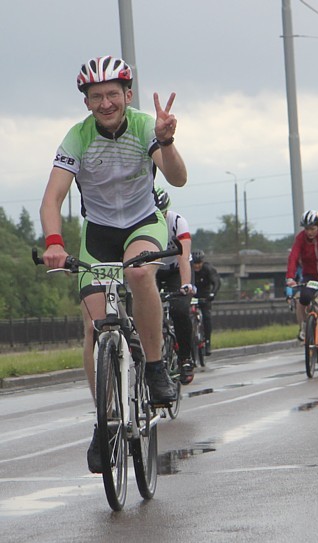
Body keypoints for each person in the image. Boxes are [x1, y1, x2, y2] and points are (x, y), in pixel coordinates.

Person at [39, 55, 187, 473]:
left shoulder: (145, 127)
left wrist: (168, 141)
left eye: (112, 94)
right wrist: (54, 242)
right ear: (86, 102)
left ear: (128, 95)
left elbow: (177, 179)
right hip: (98, 233)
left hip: (143, 223)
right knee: (93, 325)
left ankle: (156, 368)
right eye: (96, 96)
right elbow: (52, 198)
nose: (105, 103)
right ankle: (104, 420)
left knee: (140, 271)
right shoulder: (77, 137)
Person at [153, 187, 197, 384]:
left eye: (162, 213)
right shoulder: (140, 223)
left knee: (180, 309)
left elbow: (183, 257)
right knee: (143, 308)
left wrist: (186, 285)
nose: (159, 218)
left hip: (175, 270)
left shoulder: (177, 222)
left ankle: (186, 358)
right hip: (152, 270)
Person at [286, 210, 318, 362]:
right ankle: (303, 327)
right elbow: (293, 257)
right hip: (311, 276)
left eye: (313, 228)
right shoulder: (301, 238)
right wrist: (290, 277)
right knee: (304, 298)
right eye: (307, 229)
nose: (309, 232)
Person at [192, 249, 221, 355]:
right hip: (192, 296)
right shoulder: (189, 269)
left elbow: (216, 282)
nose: (197, 266)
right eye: (195, 263)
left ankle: (207, 342)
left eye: (199, 263)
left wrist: (212, 294)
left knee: (207, 317)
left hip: (205, 296)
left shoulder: (208, 269)